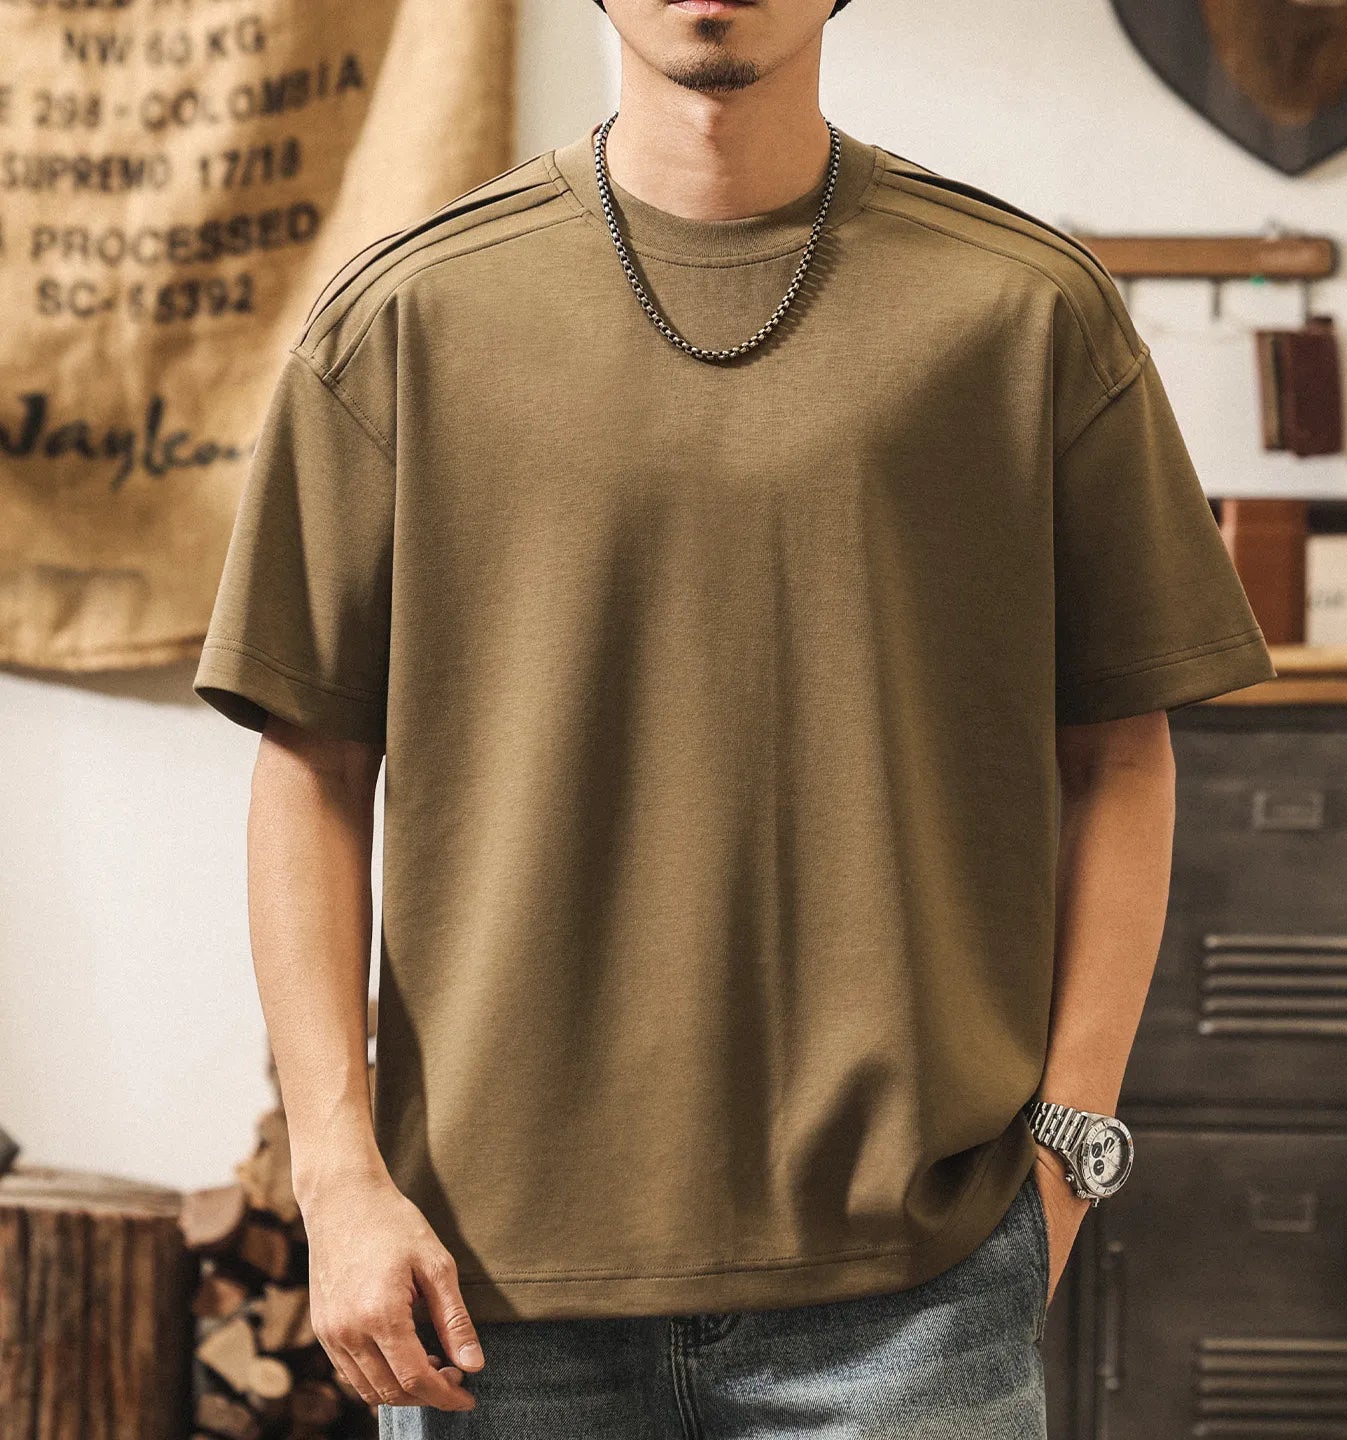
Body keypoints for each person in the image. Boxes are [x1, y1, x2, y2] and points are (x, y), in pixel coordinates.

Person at [192, 0, 1278, 1434]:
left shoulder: (1027, 310)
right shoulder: (404, 320)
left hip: (919, 1290)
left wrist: (1067, 1155)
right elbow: (312, 769)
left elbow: (1121, 753)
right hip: (488, 1294)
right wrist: (337, 1180)